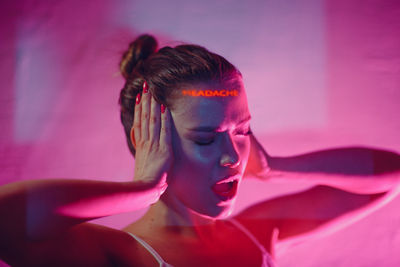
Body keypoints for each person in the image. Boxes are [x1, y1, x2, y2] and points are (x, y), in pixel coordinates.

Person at [0, 34, 400, 267]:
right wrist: (143, 187)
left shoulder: (259, 232)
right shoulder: (118, 254)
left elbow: (391, 175)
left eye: (242, 130)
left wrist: (275, 166)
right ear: (151, 144)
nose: (232, 156)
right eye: (206, 138)